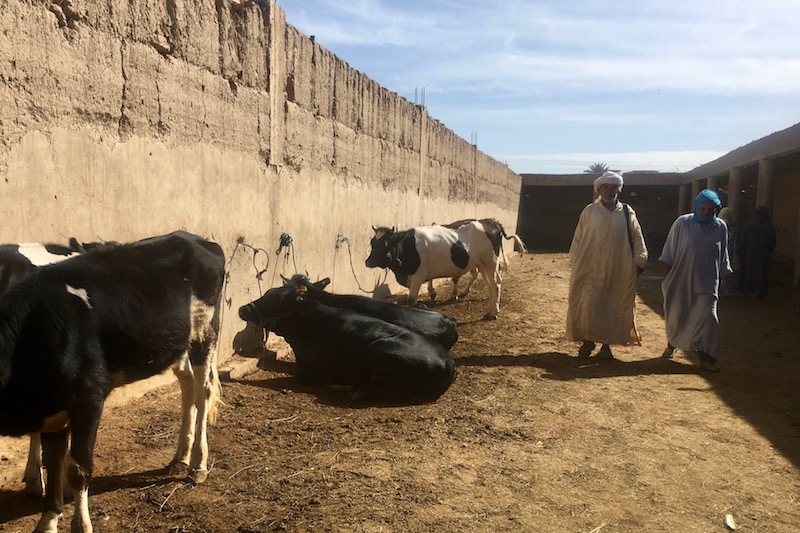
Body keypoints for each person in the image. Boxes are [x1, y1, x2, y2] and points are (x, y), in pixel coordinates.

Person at [566, 171, 648, 360]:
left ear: (618, 189)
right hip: (590, 268)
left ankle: (606, 346)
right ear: (599, 189)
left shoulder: (627, 212)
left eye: (613, 187)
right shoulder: (589, 212)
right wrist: (576, 260)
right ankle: (588, 341)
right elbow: (578, 239)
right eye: (605, 187)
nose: (609, 191)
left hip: (619, 268)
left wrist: (639, 261)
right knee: (590, 304)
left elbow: (637, 237)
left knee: (612, 306)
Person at [660, 189, 733, 372]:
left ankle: (706, 356)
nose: (706, 213)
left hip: (708, 282)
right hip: (681, 280)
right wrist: (667, 279)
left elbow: (723, 255)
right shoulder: (683, 223)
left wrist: (722, 281)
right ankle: (673, 343)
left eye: (711, 209)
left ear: (716, 209)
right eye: (703, 209)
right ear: (697, 207)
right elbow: (669, 251)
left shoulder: (720, 227)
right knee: (678, 315)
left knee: (708, 318)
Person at [737, 205, 777, 298]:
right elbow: (773, 240)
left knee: (748, 271)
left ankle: (746, 289)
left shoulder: (749, 224)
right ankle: (760, 291)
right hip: (763, 254)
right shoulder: (769, 225)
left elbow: (743, 239)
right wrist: (769, 251)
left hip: (749, 253)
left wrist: (741, 251)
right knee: (761, 272)